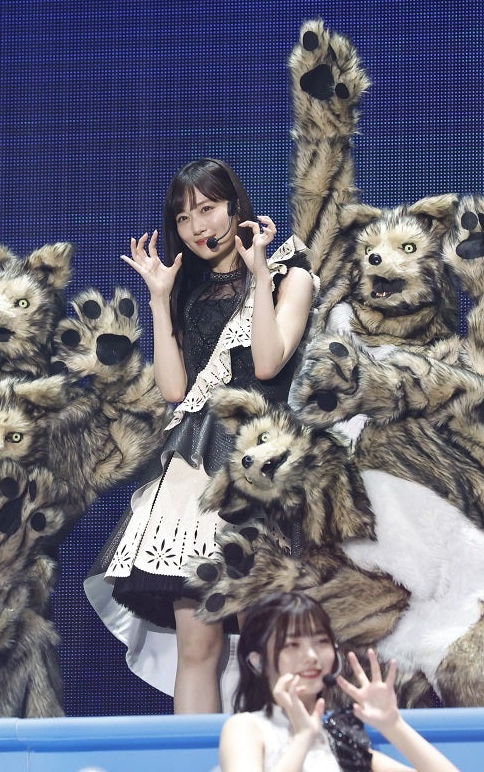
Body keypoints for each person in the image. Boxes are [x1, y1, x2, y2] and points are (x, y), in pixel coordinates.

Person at [84, 158, 315, 714]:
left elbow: (268, 362)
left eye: (207, 209)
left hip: (258, 467)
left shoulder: (290, 274)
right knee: (197, 645)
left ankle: (280, 750)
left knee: (267, 641)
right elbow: (173, 389)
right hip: (192, 470)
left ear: (235, 206)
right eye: (183, 218)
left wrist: (259, 278)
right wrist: (160, 299)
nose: (197, 227)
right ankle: (200, 755)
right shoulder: (191, 291)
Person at [219, 592, 460, 772]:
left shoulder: (339, 735)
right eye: (292, 644)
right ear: (258, 661)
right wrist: (303, 738)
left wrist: (392, 725)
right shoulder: (246, 728)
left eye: (321, 642)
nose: (311, 656)